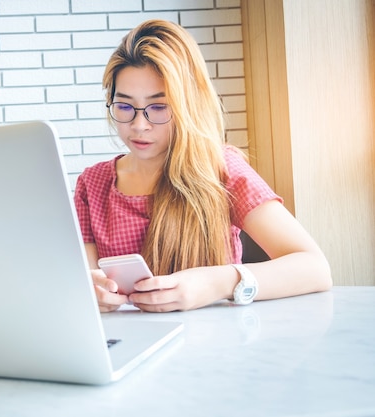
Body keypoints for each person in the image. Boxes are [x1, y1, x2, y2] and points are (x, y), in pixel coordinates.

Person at [73, 19, 332, 313]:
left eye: (158, 107)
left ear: (188, 105)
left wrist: (218, 283)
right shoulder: (91, 185)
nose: (139, 125)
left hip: (215, 346)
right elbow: (87, 282)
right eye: (124, 106)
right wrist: (91, 292)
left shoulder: (221, 169)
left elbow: (315, 268)